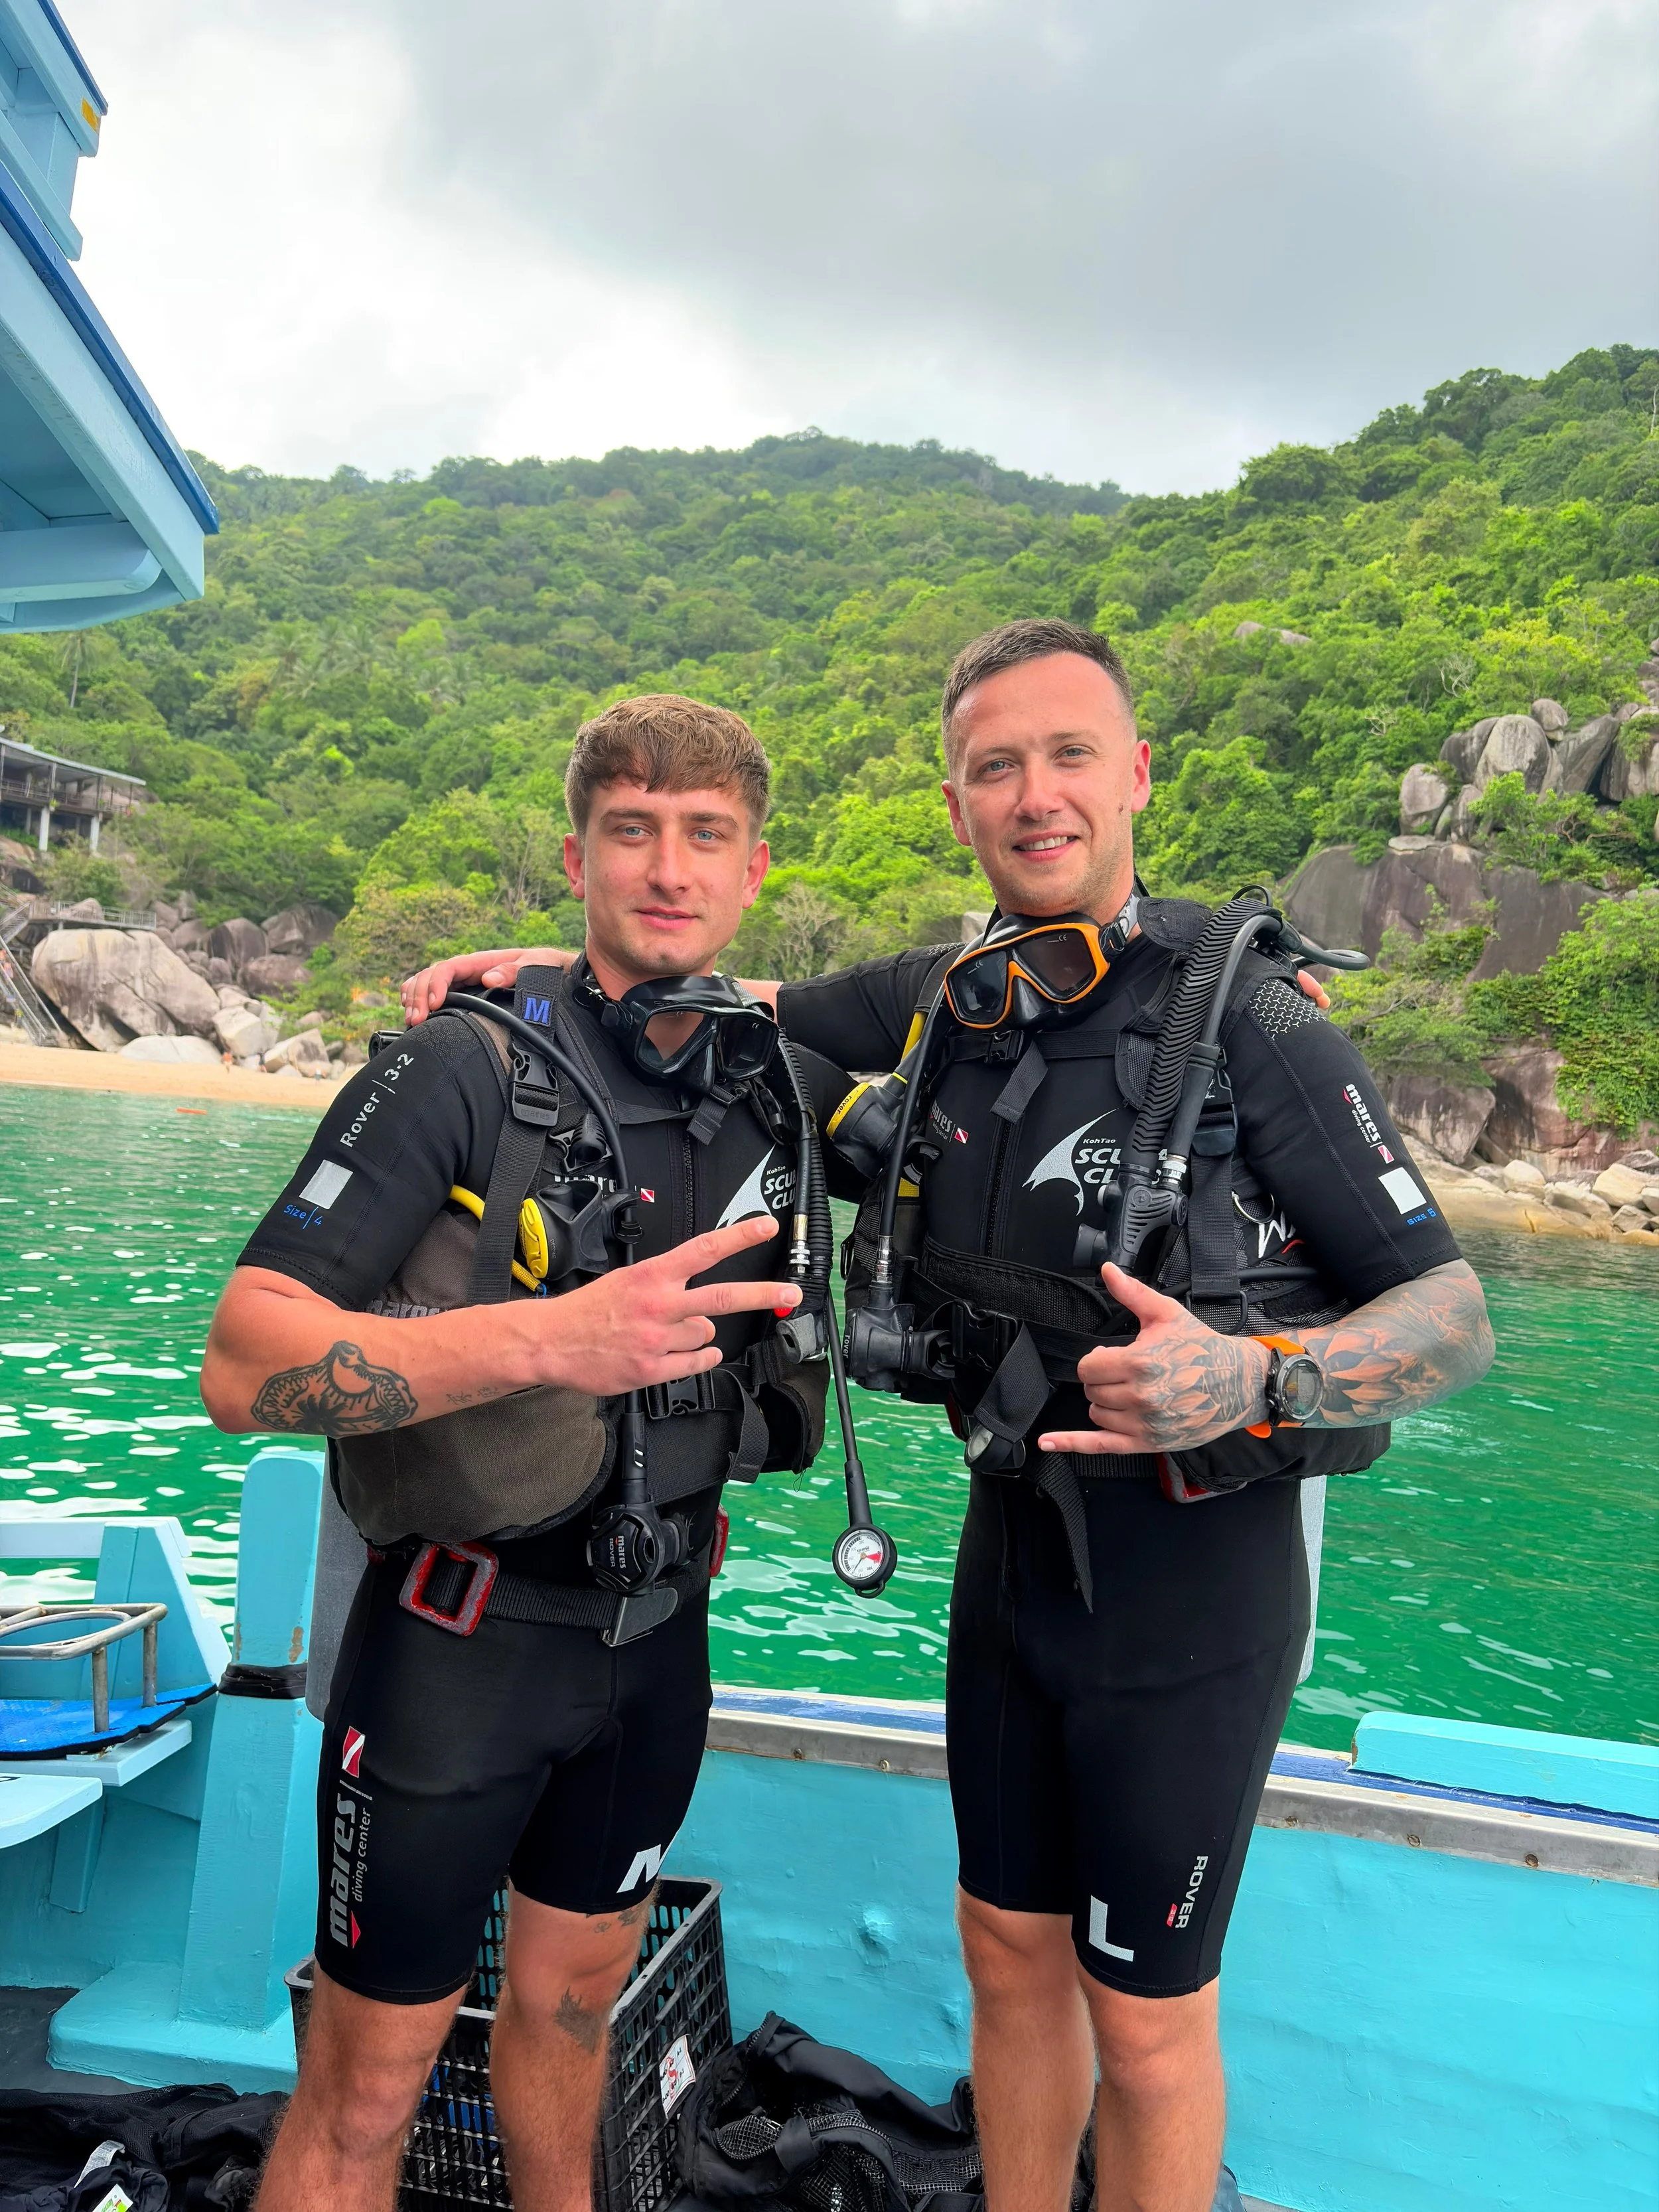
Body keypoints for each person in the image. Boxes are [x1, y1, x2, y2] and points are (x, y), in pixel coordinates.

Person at [402, 622, 1496, 2212]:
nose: (1034, 793)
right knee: (1004, 1955)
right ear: (957, 796)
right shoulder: (950, 996)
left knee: (1149, 2018)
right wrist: (543, 977)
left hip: (1194, 1581)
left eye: (1067, 755)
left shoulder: (1254, 1021)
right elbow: (740, 993)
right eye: (997, 764)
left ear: (1132, 773)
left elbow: (1449, 1315)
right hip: (1013, 1557)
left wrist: (1256, 1379)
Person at [202, 695, 851, 2212]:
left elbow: (1004, 989)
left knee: (571, 2021)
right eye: (632, 831)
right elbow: (245, 1360)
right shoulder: (458, 1070)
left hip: (652, 1645)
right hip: (456, 1652)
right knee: (369, 2082)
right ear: (577, 855)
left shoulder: (770, 1073)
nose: (667, 868)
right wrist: (547, 1340)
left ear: (754, 867)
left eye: (705, 837)